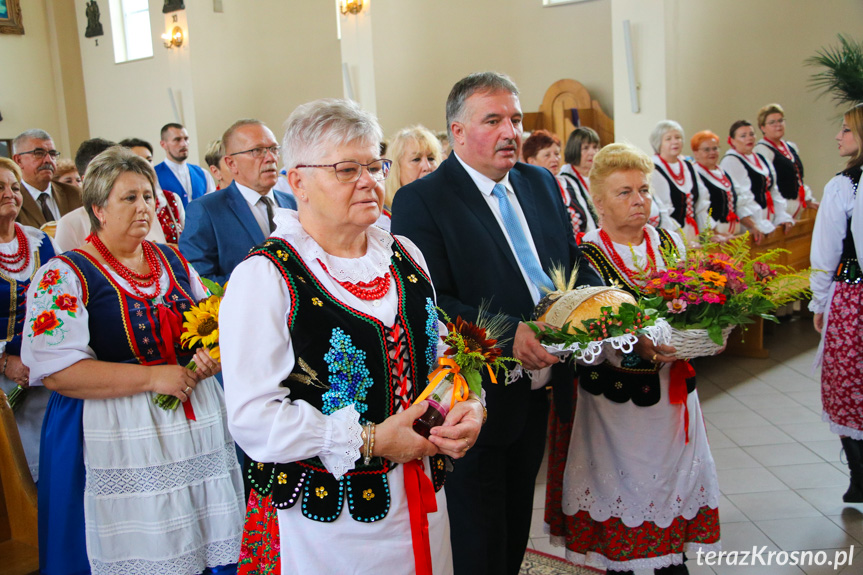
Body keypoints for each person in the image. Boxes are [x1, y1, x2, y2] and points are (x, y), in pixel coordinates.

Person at [221, 98, 483, 575]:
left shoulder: (404, 253)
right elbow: (252, 417)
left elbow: (441, 352)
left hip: (422, 494)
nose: (369, 181)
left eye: (375, 164)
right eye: (346, 169)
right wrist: (371, 439)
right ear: (297, 180)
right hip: (329, 520)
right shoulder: (267, 277)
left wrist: (470, 406)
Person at [391, 72, 603, 575]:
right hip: (476, 396)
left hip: (543, 385)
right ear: (457, 133)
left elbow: (567, 261)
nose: (511, 131)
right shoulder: (423, 200)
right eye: (494, 120)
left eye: (515, 118)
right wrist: (510, 334)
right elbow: (429, 298)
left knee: (513, 526)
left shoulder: (538, 182)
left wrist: (605, 302)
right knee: (478, 534)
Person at [22, 146, 244, 575]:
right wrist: (152, 378)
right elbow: (58, 373)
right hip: (114, 430)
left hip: (193, 420)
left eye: (148, 196)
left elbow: (213, 326)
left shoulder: (174, 260)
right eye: (129, 198)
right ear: (98, 208)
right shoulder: (64, 274)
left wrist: (209, 358)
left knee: (203, 537)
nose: (144, 207)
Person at [550, 143, 720, 573]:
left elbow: (692, 304)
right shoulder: (585, 255)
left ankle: (671, 556)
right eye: (624, 192)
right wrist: (633, 342)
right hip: (614, 403)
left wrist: (706, 328)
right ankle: (625, 561)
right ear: (599, 202)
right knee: (624, 490)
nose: (638, 200)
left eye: (643, 189)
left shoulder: (668, 242)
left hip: (673, 394)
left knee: (674, 483)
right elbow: (581, 330)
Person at [810, 103, 863, 503]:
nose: (838, 136)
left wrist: (819, 303)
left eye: (846, 130)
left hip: (853, 297)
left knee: (848, 383)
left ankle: (860, 477)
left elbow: (826, 254)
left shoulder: (844, 186)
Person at [179, 119, 297, 284]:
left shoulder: (292, 203)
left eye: (273, 149)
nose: (270, 158)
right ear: (231, 163)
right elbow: (200, 280)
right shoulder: (207, 210)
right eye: (257, 150)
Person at [0, 157, 58, 482]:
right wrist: (6, 361)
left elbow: (66, 299)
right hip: (4, 381)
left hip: (47, 371)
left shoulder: (40, 240)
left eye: (14, 186)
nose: (9, 193)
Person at [691, 130, 769, 242]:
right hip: (714, 241)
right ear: (696, 153)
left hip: (733, 236)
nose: (712, 152)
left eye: (715, 148)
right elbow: (700, 210)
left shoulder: (723, 173)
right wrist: (714, 234)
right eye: (706, 149)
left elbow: (738, 203)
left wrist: (753, 226)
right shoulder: (695, 174)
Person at [720, 120, 793, 237]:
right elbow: (738, 199)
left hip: (769, 222)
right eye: (743, 136)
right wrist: (753, 224)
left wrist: (781, 215)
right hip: (750, 228)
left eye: (751, 134)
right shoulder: (731, 161)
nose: (749, 138)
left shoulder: (761, 158)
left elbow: (773, 190)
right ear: (732, 140)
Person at [649, 121, 716, 244]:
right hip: (671, 237)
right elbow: (663, 211)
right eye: (668, 139)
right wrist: (678, 240)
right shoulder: (654, 169)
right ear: (659, 144)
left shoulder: (688, 166)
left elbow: (701, 203)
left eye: (678, 137)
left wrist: (708, 233)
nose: (675, 141)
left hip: (693, 234)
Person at [754, 103, 819, 218]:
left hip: (798, 205)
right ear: (762, 127)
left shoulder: (790, 147)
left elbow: (799, 179)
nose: (778, 125)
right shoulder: (762, 150)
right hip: (781, 209)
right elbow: (766, 186)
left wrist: (808, 199)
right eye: (772, 122)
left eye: (780, 121)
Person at [12, 129, 83, 228]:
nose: (48, 160)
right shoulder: (11, 199)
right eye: (39, 153)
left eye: (52, 154)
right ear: (18, 160)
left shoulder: (75, 195)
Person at [122, 137, 185, 243]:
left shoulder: (171, 199)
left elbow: (187, 239)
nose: (146, 165)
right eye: (138, 160)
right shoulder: (122, 202)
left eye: (149, 160)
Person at [383, 125, 443, 216]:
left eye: (431, 158)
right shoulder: (381, 220)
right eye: (416, 159)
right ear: (397, 169)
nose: (427, 167)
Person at [154, 122, 215, 206]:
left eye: (186, 139)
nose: (184, 144)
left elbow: (213, 204)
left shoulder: (203, 173)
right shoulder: (154, 175)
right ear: (163, 144)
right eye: (177, 140)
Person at [558, 127, 601, 241]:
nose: (592, 152)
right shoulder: (565, 179)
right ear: (574, 150)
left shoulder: (599, 174)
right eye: (585, 148)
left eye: (595, 147)